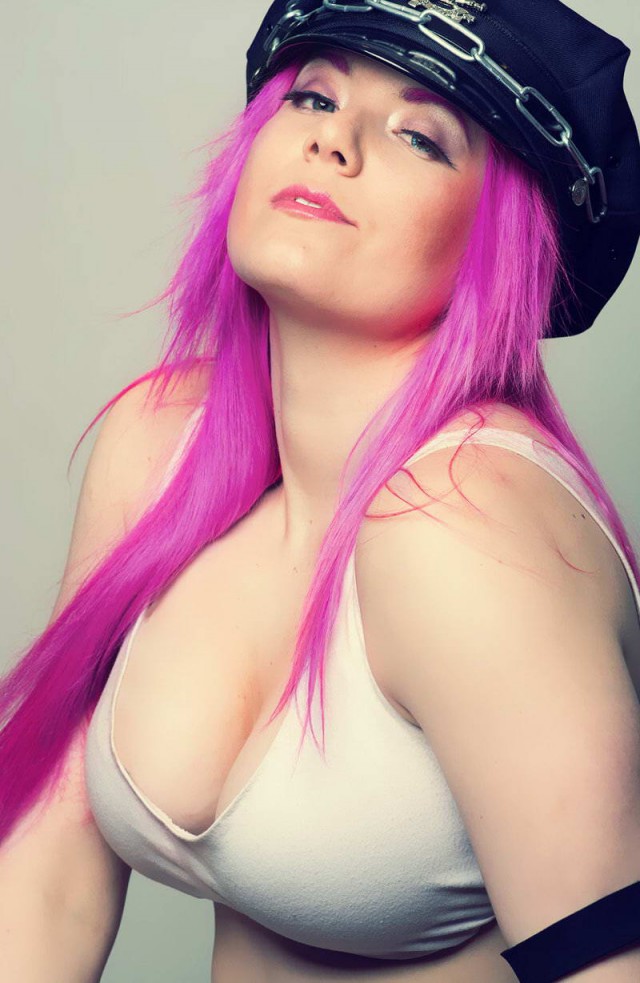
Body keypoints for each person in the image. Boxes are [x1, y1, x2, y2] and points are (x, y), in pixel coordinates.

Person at [1, 1, 640, 981]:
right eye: (312, 95)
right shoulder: (160, 443)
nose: (332, 140)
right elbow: (49, 876)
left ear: (500, 242)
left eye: (421, 135)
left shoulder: (463, 528)